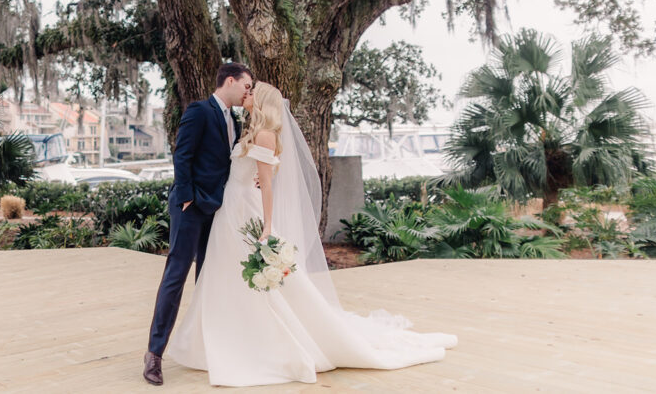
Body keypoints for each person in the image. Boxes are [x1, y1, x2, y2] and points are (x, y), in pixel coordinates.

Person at [163, 82, 458, 386]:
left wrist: (267, 226)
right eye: (246, 89)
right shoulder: (248, 129)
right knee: (223, 275)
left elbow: (266, 185)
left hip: (244, 213)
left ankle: (260, 340)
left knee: (257, 281)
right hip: (229, 212)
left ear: (261, 100)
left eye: (252, 92)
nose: (246, 95)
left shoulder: (264, 135)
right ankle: (226, 335)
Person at [143, 62, 254, 386]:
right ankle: (154, 354)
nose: (248, 91)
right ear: (230, 81)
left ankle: (206, 348)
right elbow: (183, 154)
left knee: (209, 278)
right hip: (191, 208)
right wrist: (187, 197)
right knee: (176, 276)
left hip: (218, 210)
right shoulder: (199, 110)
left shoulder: (233, 118)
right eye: (246, 85)